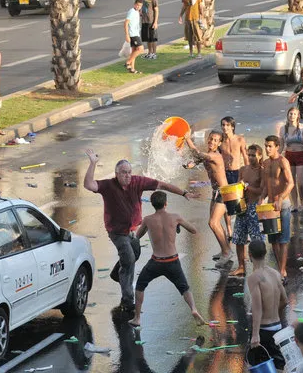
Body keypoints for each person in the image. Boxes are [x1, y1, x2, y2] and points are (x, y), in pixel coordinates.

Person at [83, 149, 189, 314]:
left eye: (129, 172)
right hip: (117, 232)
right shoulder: (108, 185)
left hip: (133, 231)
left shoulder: (137, 182)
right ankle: (128, 301)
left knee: (135, 254)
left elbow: (162, 185)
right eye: (124, 173)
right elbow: (89, 185)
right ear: (117, 174)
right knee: (129, 260)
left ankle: (117, 274)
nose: (127, 176)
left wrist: (183, 192)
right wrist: (93, 163)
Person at [129, 191, 206, 327]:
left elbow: (137, 237)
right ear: (166, 204)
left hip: (156, 262)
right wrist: (178, 225)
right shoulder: (175, 217)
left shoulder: (148, 219)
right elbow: (194, 230)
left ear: (152, 204)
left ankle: (137, 318)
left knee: (140, 286)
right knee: (184, 288)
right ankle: (193, 309)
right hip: (173, 261)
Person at [230, 240, 287, 373]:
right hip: (277, 327)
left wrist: (255, 334)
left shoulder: (254, 277)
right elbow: (284, 300)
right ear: (265, 253)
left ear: (250, 255)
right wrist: (275, 315)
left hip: (263, 329)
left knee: (249, 369)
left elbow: (257, 307)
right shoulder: (275, 274)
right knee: (279, 369)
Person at [184, 130, 232, 267]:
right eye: (211, 139)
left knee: (213, 223)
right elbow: (197, 159)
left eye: (215, 140)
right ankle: (225, 250)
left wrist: (188, 140)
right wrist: (189, 165)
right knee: (214, 223)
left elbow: (198, 154)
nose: (212, 141)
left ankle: (227, 252)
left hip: (224, 193)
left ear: (219, 143)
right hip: (216, 192)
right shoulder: (208, 155)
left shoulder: (215, 156)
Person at [260, 135, 294, 281]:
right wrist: (261, 198)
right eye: (266, 146)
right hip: (269, 205)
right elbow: (267, 185)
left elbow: (291, 183)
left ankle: (282, 271)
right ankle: (280, 267)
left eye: (270, 146)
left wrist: (280, 197)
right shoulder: (266, 163)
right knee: (273, 240)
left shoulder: (283, 161)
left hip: (283, 204)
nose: (267, 149)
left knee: (283, 239)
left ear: (277, 147)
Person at [229, 144, 264, 278]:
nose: (250, 157)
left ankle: (258, 269)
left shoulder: (262, 171)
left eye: (253, 155)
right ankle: (241, 267)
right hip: (242, 207)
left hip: (255, 207)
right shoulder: (243, 169)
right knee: (238, 239)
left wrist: (248, 187)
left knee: (256, 240)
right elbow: (238, 187)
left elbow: (262, 191)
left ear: (259, 156)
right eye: (249, 155)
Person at [220, 116, 248, 242]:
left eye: (227, 125)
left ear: (232, 127)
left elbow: (245, 157)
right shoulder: (220, 141)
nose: (224, 127)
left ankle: (243, 230)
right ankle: (229, 230)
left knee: (240, 202)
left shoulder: (240, 139)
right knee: (227, 203)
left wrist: (246, 174)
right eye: (223, 125)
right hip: (225, 173)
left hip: (237, 172)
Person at [277, 107, 303, 211]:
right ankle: (294, 204)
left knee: (300, 182)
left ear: (298, 115)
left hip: (301, 154)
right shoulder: (283, 129)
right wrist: (276, 156)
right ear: (287, 115)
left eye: (294, 114)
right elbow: (281, 146)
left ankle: (302, 200)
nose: (292, 116)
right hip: (289, 155)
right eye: (290, 114)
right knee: (291, 182)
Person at [125, 0, 145, 73]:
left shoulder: (137, 11)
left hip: (136, 34)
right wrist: (127, 35)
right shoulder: (132, 12)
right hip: (133, 34)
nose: (138, 7)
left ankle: (132, 69)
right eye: (137, 5)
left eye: (140, 6)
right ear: (134, 4)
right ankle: (127, 62)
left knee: (134, 51)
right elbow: (126, 23)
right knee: (141, 49)